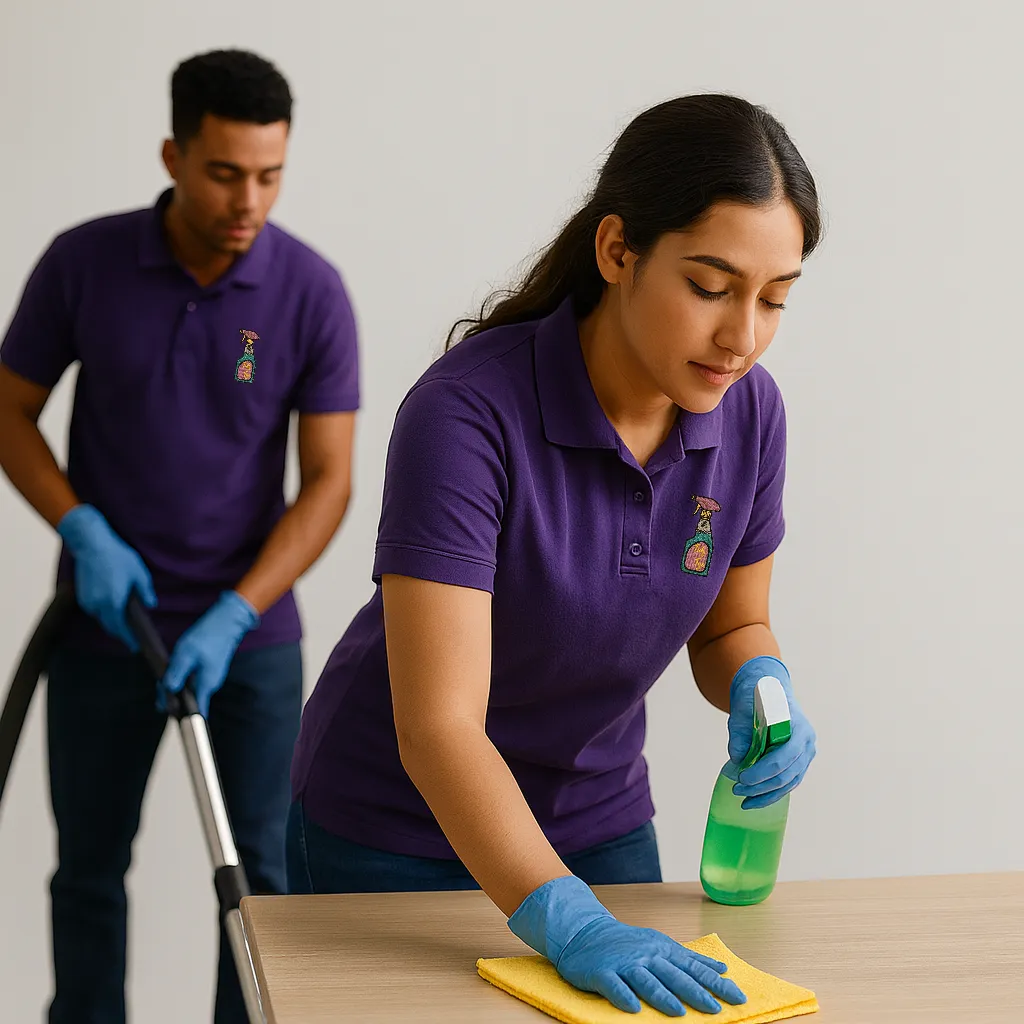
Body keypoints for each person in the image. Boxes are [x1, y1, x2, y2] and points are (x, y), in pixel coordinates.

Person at [287, 92, 820, 1017]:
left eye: (774, 298)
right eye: (710, 286)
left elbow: (733, 619)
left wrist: (761, 682)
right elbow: (440, 729)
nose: (743, 336)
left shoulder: (752, 413)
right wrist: (568, 920)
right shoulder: (466, 417)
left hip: (598, 819)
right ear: (618, 251)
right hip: (396, 832)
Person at [0, 49, 359, 1024]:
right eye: (225, 173)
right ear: (173, 153)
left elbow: (329, 483)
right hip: (102, 626)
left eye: (271, 175)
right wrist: (80, 526)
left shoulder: (311, 294)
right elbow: (8, 409)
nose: (250, 200)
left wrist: (238, 611)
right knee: (87, 873)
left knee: (262, 892)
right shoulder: (83, 264)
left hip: (246, 643)